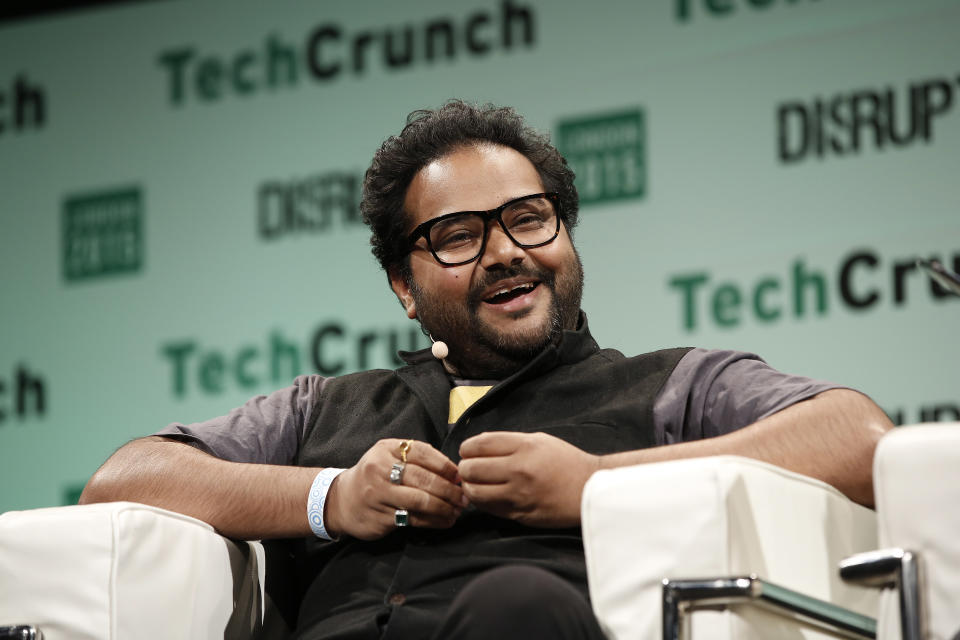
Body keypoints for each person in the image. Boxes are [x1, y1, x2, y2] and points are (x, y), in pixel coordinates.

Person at [80, 101, 893, 640]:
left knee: (518, 604)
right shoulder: (325, 409)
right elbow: (121, 483)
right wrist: (331, 497)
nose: (506, 252)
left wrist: (598, 483)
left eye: (529, 220)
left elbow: (856, 438)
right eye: (460, 235)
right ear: (404, 285)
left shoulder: (669, 385)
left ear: (567, 237)